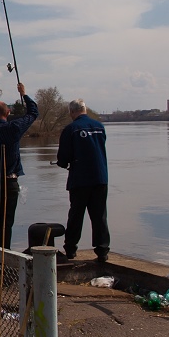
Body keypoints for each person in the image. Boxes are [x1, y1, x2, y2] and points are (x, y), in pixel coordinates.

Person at [0, 83, 38, 249]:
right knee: (5, 224)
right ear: (8, 113)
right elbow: (33, 112)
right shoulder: (14, 128)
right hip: (8, 182)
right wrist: (24, 94)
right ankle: (2, 258)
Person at [56, 98, 110, 262]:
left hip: (80, 180)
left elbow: (63, 157)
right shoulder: (100, 127)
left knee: (76, 215)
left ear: (72, 112)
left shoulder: (71, 129)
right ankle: (102, 251)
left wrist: (62, 163)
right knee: (99, 215)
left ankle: (71, 250)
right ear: (85, 110)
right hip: (100, 178)